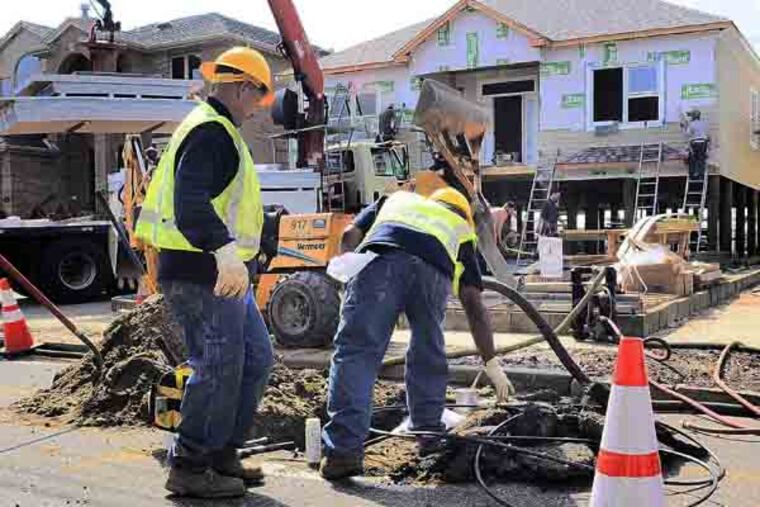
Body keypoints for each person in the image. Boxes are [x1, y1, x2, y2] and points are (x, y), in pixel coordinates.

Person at [135, 47, 276, 499]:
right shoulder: (210, 132)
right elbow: (190, 205)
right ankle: (191, 464)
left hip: (220, 271)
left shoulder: (219, 131)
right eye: (257, 95)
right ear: (240, 87)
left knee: (254, 359)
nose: (258, 106)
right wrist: (225, 251)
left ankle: (221, 453)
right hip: (202, 270)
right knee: (216, 365)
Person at [320, 187, 515, 480]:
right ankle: (427, 432)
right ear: (463, 213)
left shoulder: (396, 199)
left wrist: (349, 267)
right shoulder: (462, 230)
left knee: (357, 354)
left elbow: (349, 234)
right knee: (428, 349)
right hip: (433, 272)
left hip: (380, 260)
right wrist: (491, 363)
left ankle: (343, 452)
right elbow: (474, 304)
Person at [681, 109, 709, 180]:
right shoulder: (703, 123)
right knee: (701, 159)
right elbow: (707, 135)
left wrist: (684, 128)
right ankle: (701, 175)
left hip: (695, 143)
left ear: (693, 116)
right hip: (703, 142)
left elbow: (688, 134)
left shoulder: (691, 124)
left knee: (693, 158)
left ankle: (692, 176)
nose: (690, 117)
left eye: (691, 116)